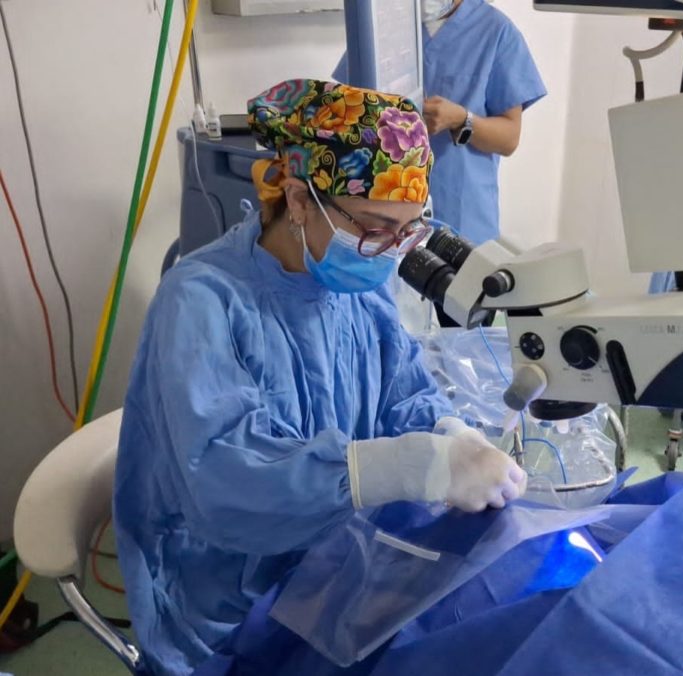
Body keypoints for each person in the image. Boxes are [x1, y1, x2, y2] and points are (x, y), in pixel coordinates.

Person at [113, 79, 527, 676]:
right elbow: (224, 483)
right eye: (375, 227)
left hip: (333, 566)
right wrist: (400, 466)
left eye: (408, 229)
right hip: (228, 605)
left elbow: (402, 392)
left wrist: (452, 434)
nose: (390, 250)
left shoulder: (355, 286)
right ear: (299, 198)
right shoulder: (201, 302)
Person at [334, 0, 547, 246]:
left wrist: (461, 119)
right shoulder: (385, 25)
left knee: (458, 268)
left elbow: (508, 139)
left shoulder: (496, 31)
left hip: (462, 214)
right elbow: (348, 105)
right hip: (387, 213)